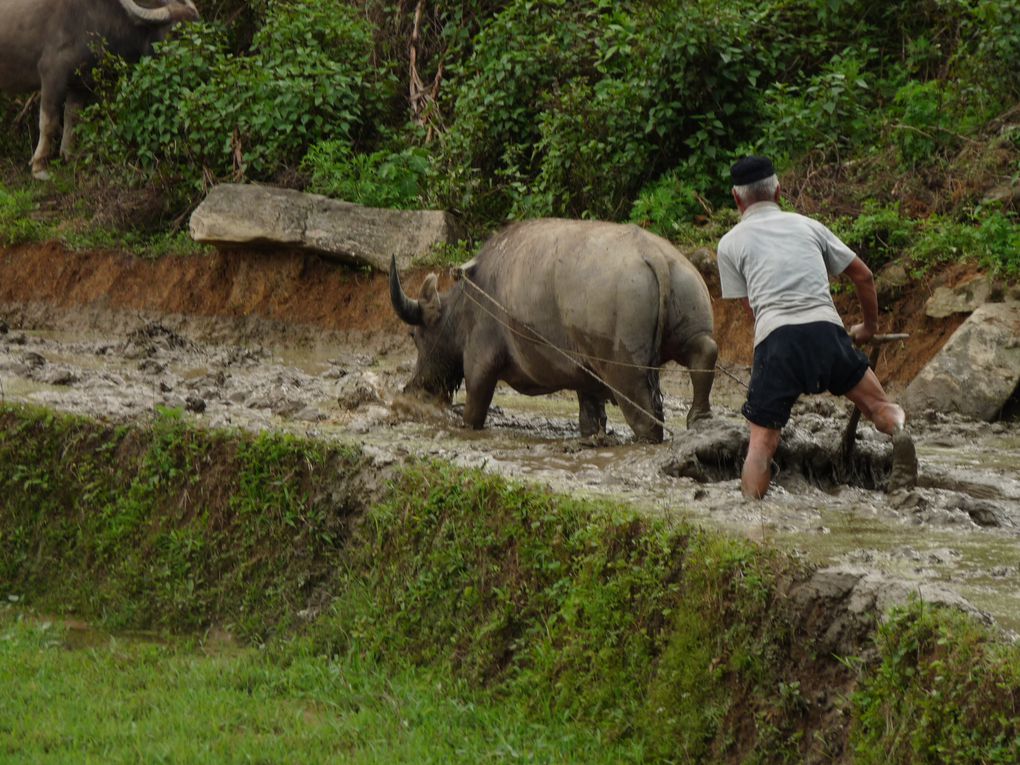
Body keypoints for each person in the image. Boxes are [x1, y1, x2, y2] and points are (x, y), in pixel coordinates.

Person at [716, 155, 918, 498]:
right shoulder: (809, 226)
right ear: (778, 192)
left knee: (762, 442)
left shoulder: (730, 243)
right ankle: (899, 431)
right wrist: (868, 327)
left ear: (737, 199)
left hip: (778, 338)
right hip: (829, 331)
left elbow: (752, 308)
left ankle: (752, 523)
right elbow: (864, 275)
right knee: (878, 407)